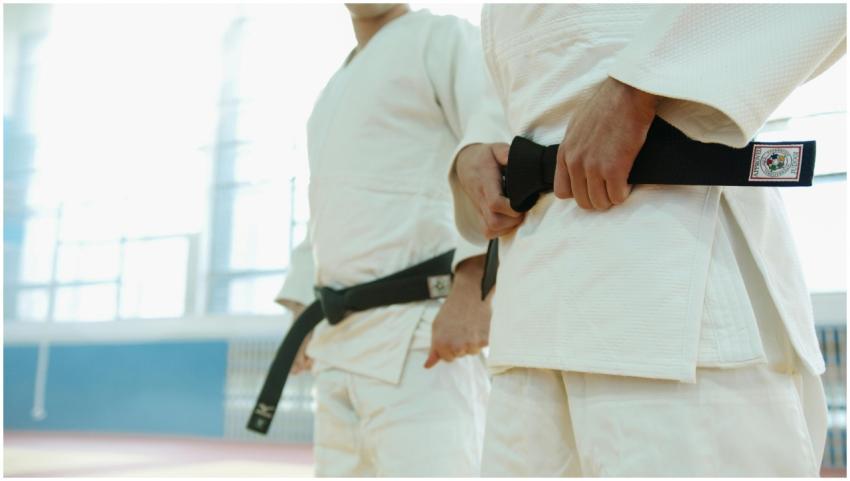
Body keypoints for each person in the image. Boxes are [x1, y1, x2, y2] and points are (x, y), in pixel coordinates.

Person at [450, 4, 846, 476]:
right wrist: (476, 148)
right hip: (528, 307)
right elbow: (527, 68)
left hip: (671, 277)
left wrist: (639, 85)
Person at [274, 3, 509, 476]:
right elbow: (327, 205)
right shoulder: (331, 89)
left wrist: (474, 286)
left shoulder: (443, 38)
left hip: (421, 337)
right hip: (337, 344)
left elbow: (492, 143)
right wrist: (302, 303)